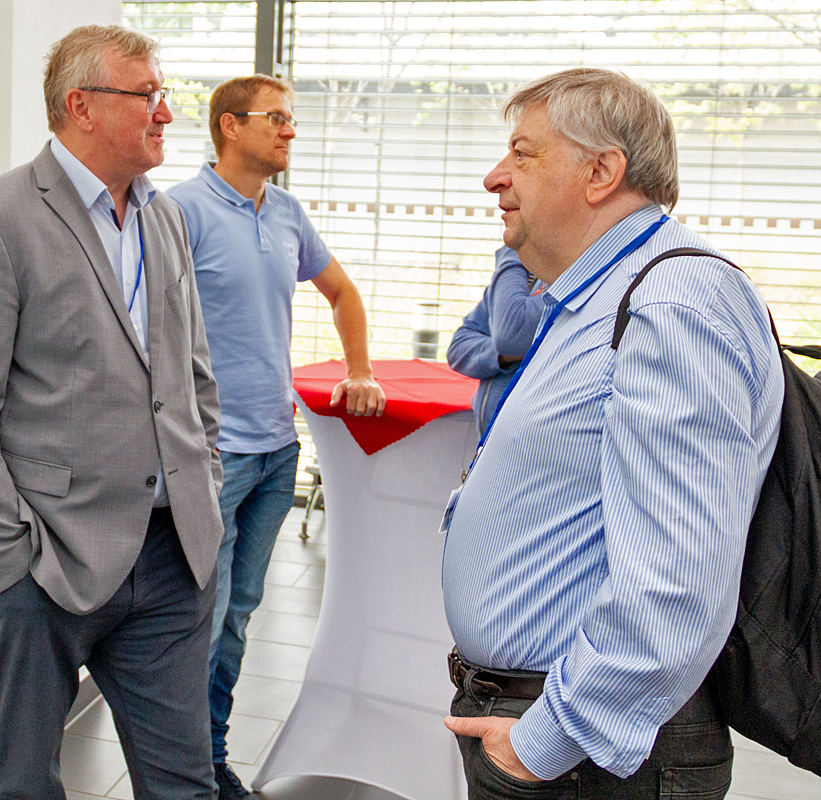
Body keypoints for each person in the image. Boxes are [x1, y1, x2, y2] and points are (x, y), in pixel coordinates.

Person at [441, 68, 784, 799]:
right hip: (559, 733)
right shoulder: (603, 294)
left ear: (601, 172)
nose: (495, 177)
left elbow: (679, 578)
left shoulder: (673, 302)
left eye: (523, 154)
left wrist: (543, 742)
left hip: (586, 753)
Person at [0, 24, 225, 800]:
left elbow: (191, 375)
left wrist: (205, 485)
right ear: (81, 105)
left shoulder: (165, 218)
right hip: (44, 562)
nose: (166, 112)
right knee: (23, 784)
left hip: (171, 557)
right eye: (148, 95)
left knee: (185, 785)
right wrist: (8, 556)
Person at [167, 73, 386, 799]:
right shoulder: (179, 212)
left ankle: (210, 759)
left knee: (237, 617)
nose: (291, 130)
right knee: (201, 620)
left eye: (292, 119)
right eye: (277, 118)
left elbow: (343, 292)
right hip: (210, 453)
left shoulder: (286, 212)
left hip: (275, 449)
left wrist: (359, 370)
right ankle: (181, 771)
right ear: (230, 126)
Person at [446, 246, 545, 433]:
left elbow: (512, 333)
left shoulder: (567, 280)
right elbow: (458, 348)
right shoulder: (527, 275)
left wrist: (514, 250)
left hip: (531, 437)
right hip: (488, 438)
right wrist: (504, 355)